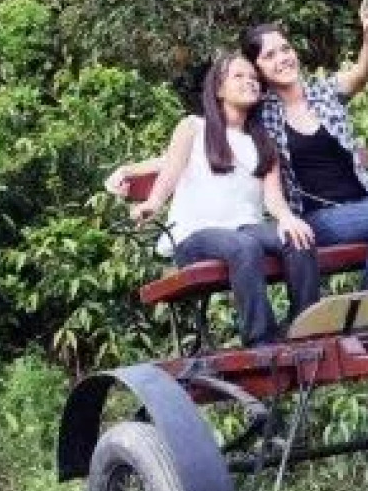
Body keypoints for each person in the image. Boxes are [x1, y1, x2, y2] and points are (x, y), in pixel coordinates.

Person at [104, 52, 320, 347]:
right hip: (194, 235)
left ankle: (303, 328)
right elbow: (170, 169)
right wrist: (152, 202)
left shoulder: (264, 142)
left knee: (299, 237)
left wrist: (287, 219)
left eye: (254, 78)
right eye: (239, 76)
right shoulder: (194, 127)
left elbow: (274, 198)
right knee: (243, 246)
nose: (250, 82)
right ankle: (261, 341)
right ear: (219, 88)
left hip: (246, 229)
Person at [241, 0, 368, 289]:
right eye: (269, 56)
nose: (282, 58)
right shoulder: (261, 115)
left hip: (363, 200)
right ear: (258, 69)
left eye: (285, 49)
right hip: (318, 218)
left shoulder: (324, 92)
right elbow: (216, 126)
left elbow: (365, 72)